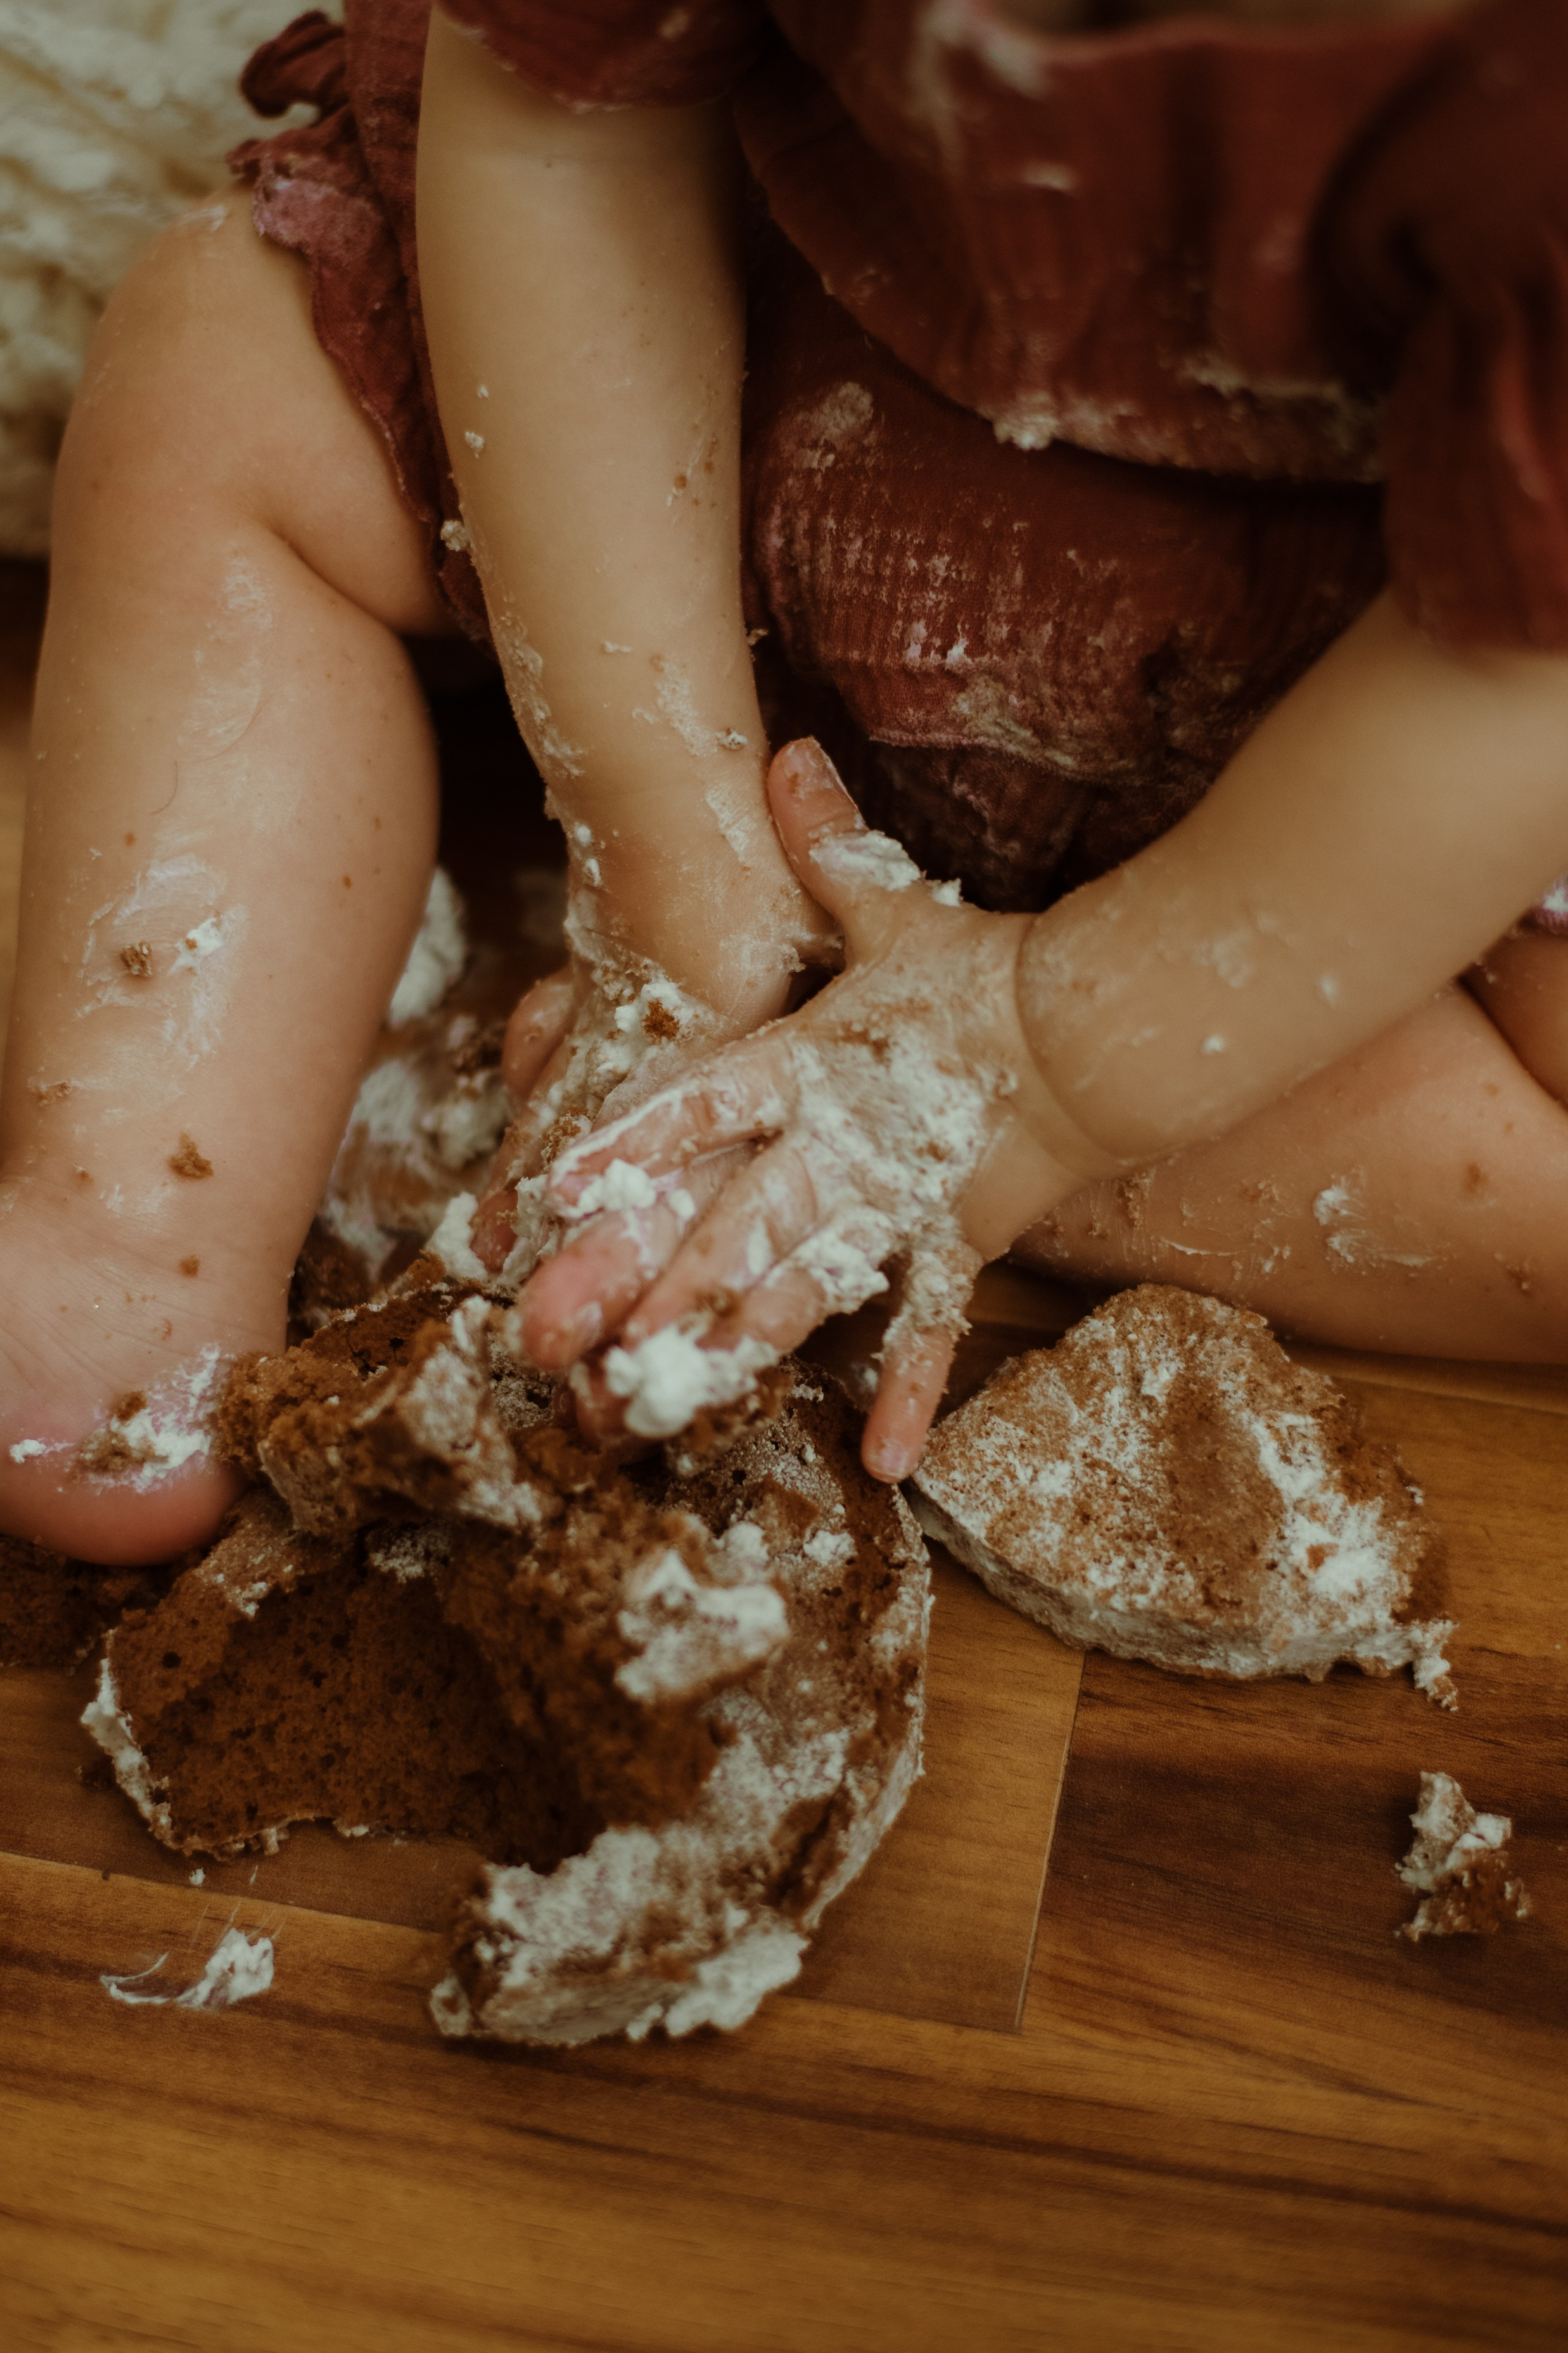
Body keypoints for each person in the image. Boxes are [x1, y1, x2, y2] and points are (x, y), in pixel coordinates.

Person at [1, 0, 1566, 1567]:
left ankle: (904, 1121)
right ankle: (133, 1214)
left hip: (1378, 710)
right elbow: (564, 124)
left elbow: (1522, 677)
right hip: (711, 421)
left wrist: (1044, 1063)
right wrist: (659, 830)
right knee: (221, 370)